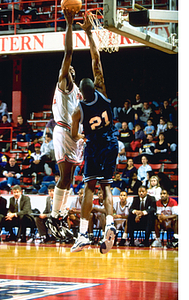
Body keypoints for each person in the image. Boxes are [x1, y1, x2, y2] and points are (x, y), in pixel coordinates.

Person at [70, 13, 118, 254]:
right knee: (107, 187)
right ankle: (110, 225)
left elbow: (73, 134)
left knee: (89, 188)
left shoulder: (78, 111)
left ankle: (82, 234)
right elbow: (95, 57)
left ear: (80, 93)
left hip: (95, 145)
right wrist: (89, 32)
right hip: (111, 142)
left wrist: (83, 137)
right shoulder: (102, 88)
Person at [45, 9, 83, 242]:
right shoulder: (63, 83)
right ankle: (53, 216)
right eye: (66, 68)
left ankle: (60, 215)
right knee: (64, 176)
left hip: (74, 133)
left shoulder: (77, 91)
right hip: (63, 131)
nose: (69, 69)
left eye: (71, 69)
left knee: (70, 178)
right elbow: (68, 51)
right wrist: (70, 24)